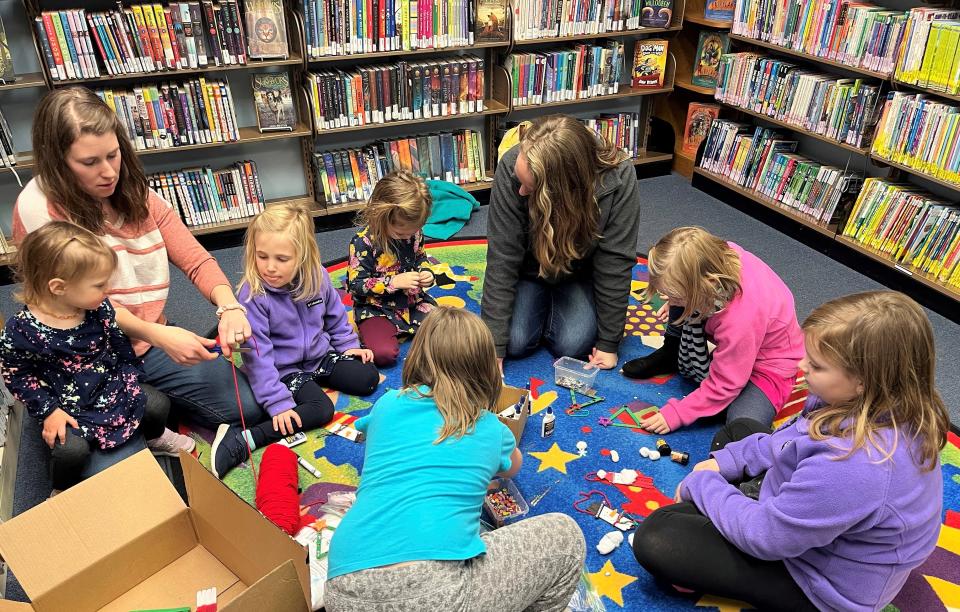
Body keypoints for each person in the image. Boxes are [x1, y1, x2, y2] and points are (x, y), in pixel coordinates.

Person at [632, 291, 948, 611]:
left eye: (817, 365)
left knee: (659, 536)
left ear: (863, 381)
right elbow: (788, 439)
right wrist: (725, 465)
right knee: (737, 433)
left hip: (819, 584)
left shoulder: (856, 465)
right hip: (811, 521)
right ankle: (745, 499)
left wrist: (701, 485)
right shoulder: (865, 401)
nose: (801, 366)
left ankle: (740, 506)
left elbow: (765, 537)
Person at [12, 87, 261, 430]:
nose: (109, 172)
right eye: (89, 163)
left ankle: (141, 400)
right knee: (106, 440)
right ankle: (132, 403)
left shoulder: (135, 192)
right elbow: (79, 309)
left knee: (247, 405)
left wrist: (229, 306)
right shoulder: (38, 208)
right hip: (85, 355)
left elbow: (195, 258)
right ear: (58, 163)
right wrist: (160, 337)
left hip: (147, 337)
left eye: (113, 156)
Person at [325, 308, 585, 611]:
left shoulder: (386, 405)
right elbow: (513, 467)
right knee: (566, 536)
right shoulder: (490, 427)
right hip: (437, 593)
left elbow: (369, 434)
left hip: (343, 588)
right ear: (487, 372)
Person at [0, 222, 192, 492]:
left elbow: (116, 339)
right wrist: (49, 410)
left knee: (158, 404)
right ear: (58, 287)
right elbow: (16, 376)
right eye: (99, 285)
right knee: (72, 451)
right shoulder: (21, 331)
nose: (108, 291)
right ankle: (62, 487)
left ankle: (153, 436)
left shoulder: (96, 307)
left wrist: (131, 372)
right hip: (68, 405)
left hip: (111, 386)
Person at [211, 203, 379, 478]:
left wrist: (349, 347)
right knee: (320, 410)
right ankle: (245, 439)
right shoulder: (252, 296)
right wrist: (277, 402)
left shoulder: (317, 276)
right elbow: (256, 357)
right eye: (261, 257)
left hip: (319, 357)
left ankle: (314, 382)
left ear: (302, 255)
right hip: (283, 370)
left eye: (281, 259)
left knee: (366, 377)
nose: (270, 268)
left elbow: (335, 316)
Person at [481, 114, 641, 372]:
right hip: (528, 272)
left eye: (529, 188)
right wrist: (493, 347)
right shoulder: (513, 165)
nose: (521, 192)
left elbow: (615, 262)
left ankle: (552, 310)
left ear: (560, 191)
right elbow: (502, 258)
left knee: (574, 344)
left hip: (578, 273)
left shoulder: (619, 177)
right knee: (514, 342)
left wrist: (609, 343)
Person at [622, 227, 804, 436]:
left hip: (769, 367)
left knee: (742, 428)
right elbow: (688, 295)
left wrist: (677, 413)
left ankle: (719, 405)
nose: (669, 302)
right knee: (682, 302)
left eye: (675, 296)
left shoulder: (741, 317)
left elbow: (726, 384)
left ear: (709, 285)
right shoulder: (715, 257)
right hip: (735, 338)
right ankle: (672, 352)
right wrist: (678, 302)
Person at [347, 171, 436, 368]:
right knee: (383, 355)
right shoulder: (363, 242)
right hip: (376, 308)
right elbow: (356, 285)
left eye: (413, 231)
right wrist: (393, 282)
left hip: (412, 302)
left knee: (448, 331)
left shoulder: (413, 233)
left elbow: (420, 256)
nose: (408, 236)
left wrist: (427, 273)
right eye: (400, 232)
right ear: (380, 215)